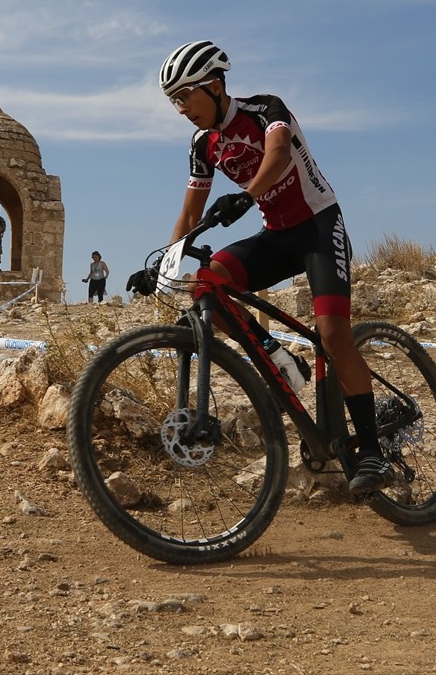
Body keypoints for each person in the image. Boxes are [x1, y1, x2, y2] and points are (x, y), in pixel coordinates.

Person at [132, 39, 393, 495]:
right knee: (205, 283)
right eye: (172, 100)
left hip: (317, 226)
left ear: (213, 86)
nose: (178, 109)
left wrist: (247, 195)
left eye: (183, 96)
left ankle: (371, 451)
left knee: (332, 334)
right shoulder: (202, 143)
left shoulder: (265, 108)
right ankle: (277, 355)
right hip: (276, 235)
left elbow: (277, 155)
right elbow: (191, 213)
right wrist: (164, 261)